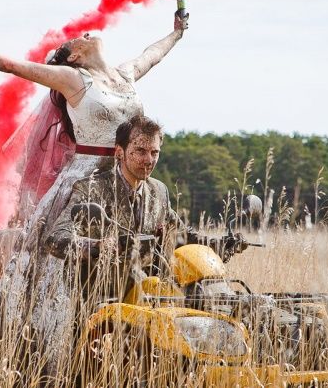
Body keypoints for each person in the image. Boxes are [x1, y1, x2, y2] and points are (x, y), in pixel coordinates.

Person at [0, 10, 188, 385]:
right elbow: (11, 65)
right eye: (77, 39)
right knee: (58, 268)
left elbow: (154, 52)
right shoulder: (73, 78)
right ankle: (50, 351)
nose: (85, 32)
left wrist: (176, 33)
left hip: (128, 174)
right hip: (86, 178)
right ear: (75, 56)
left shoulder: (124, 75)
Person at [47, 115, 247, 308]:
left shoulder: (159, 191)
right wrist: (98, 246)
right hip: (98, 302)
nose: (149, 160)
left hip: (151, 300)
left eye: (155, 152)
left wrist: (217, 244)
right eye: (141, 151)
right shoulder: (91, 189)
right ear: (119, 152)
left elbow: (181, 235)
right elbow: (54, 240)